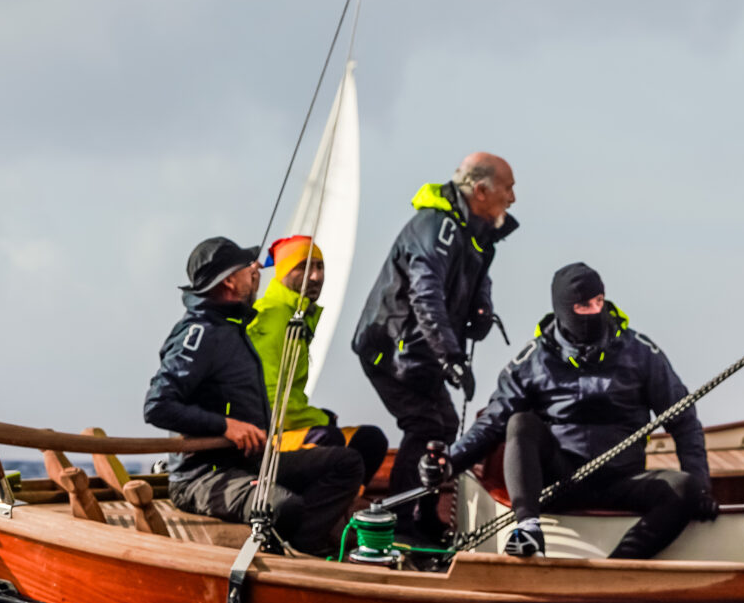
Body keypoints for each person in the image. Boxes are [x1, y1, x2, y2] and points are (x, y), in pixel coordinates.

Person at [439, 263, 715, 560]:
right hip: (560, 482)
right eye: (583, 306)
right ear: (563, 310)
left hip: (623, 481)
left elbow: (684, 422)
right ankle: (528, 528)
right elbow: (492, 424)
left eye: (599, 302)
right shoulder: (533, 360)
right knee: (520, 423)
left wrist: (702, 488)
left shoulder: (641, 352)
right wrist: (448, 462)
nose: (594, 311)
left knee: (686, 488)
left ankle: (618, 567)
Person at [142, 236, 366, 556]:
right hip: (203, 477)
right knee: (281, 506)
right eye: (247, 268)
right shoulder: (199, 333)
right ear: (229, 281)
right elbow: (157, 406)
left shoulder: (233, 325)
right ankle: (297, 552)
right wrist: (226, 426)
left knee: (346, 463)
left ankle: (306, 544)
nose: (256, 270)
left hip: (250, 463)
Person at [351, 153, 517, 528]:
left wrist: (482, 312)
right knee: (425, 425)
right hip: (391, 350)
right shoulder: (436, 226)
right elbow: (425, 294)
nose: (512, 198)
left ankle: (425, 517)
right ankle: (397, 521)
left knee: (444, 427)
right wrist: (452, 356)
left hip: (421, 353)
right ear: (481, 190)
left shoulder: (472, 233)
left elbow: (476, 280)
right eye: (508, 188)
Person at [247, 234, 389, 488]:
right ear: (283, 271)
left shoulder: (298, 316)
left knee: (369, 440)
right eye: (303, 267)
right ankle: (308, 510)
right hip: (266, 438)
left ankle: (345, 506)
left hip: (291, 428)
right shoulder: (272, 319)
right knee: (328, 436)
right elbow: (269, 401)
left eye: (319, 266)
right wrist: (319, 419)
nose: (315, 276)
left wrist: (318, 416)